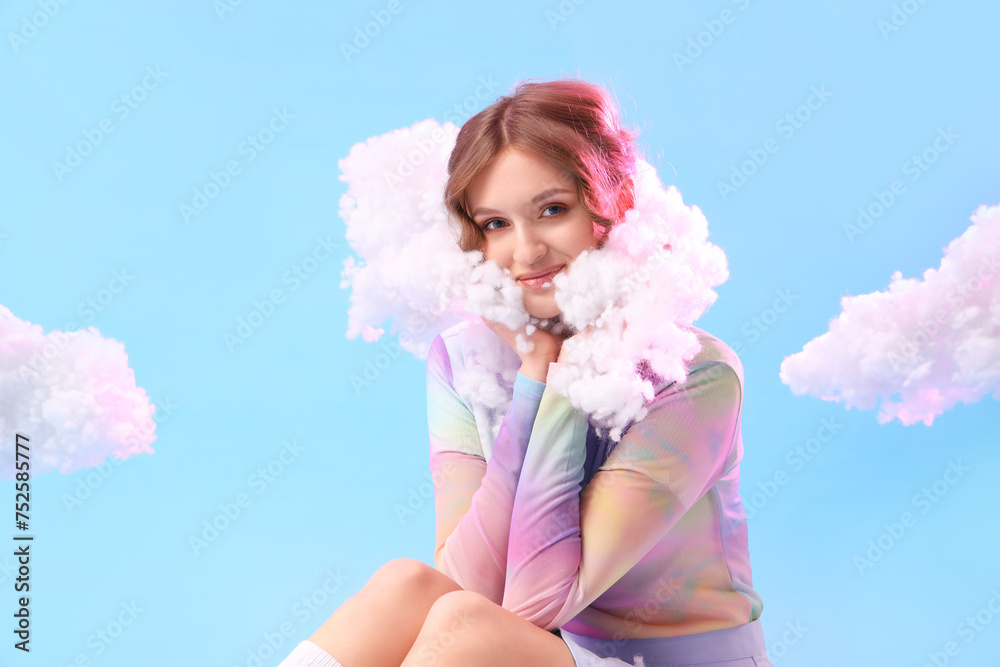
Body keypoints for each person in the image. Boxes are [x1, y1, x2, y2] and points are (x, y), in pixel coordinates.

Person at [279, 78, 771, 667]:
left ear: (607, 207)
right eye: (495, 224)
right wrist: (531, 380)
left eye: (552, 210)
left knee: (467, 628)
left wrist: (561, 380)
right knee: (406, 586)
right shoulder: (466, 360)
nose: (526, 252)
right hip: (546, 652)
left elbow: (541, 600)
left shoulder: (693, 376)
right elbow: (467, 581)